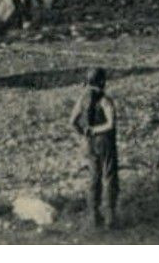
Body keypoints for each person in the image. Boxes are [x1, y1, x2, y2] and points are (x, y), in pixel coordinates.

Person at [68, 67, 119, 229]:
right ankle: (110, 217)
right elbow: (111, 124)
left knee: (94, 178)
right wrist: (96, 130)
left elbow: (72, 122)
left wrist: (84, 133)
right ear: (102, 82)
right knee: (109, 176)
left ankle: (94, 216)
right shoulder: (105, 100)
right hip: (104, 141)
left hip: (88, 143)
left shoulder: (82, 99)